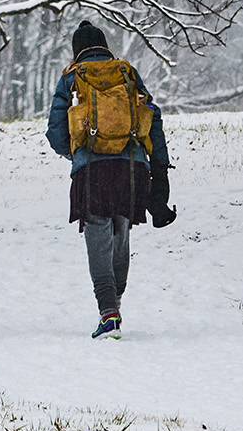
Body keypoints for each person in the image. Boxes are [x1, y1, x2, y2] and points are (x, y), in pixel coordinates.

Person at [46, 20, 174, 340]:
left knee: (97, 236)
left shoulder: (72, 77)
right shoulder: (127, 73)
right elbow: (151, 117)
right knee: (121, 230)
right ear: (105, 45)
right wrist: (157, 165)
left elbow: (55, 130)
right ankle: (116, 299)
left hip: (91, 170)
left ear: (77, 51)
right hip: (131, 167)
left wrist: (72, 152)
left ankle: (108, 311)